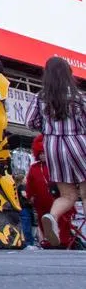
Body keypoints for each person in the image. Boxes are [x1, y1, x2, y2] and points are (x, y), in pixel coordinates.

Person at [26, 56, 86, 246]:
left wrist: (48, 127)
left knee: (67, 195)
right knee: (85, 192)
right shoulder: (79, 98)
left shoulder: (40, 97)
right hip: (78, 143)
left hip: (52, 147)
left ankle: (52, 216)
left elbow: (30, 122)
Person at [24, 134, 73, 248]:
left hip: (58, 198)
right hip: (41, 200)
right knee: (44, 221)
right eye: (40, 153)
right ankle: (48, 241)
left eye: (44, 153)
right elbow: (30, 183)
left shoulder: (57, 165)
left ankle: (63, 241)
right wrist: (30, 195)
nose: (43, 156)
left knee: (62, 220)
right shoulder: (34, 168)